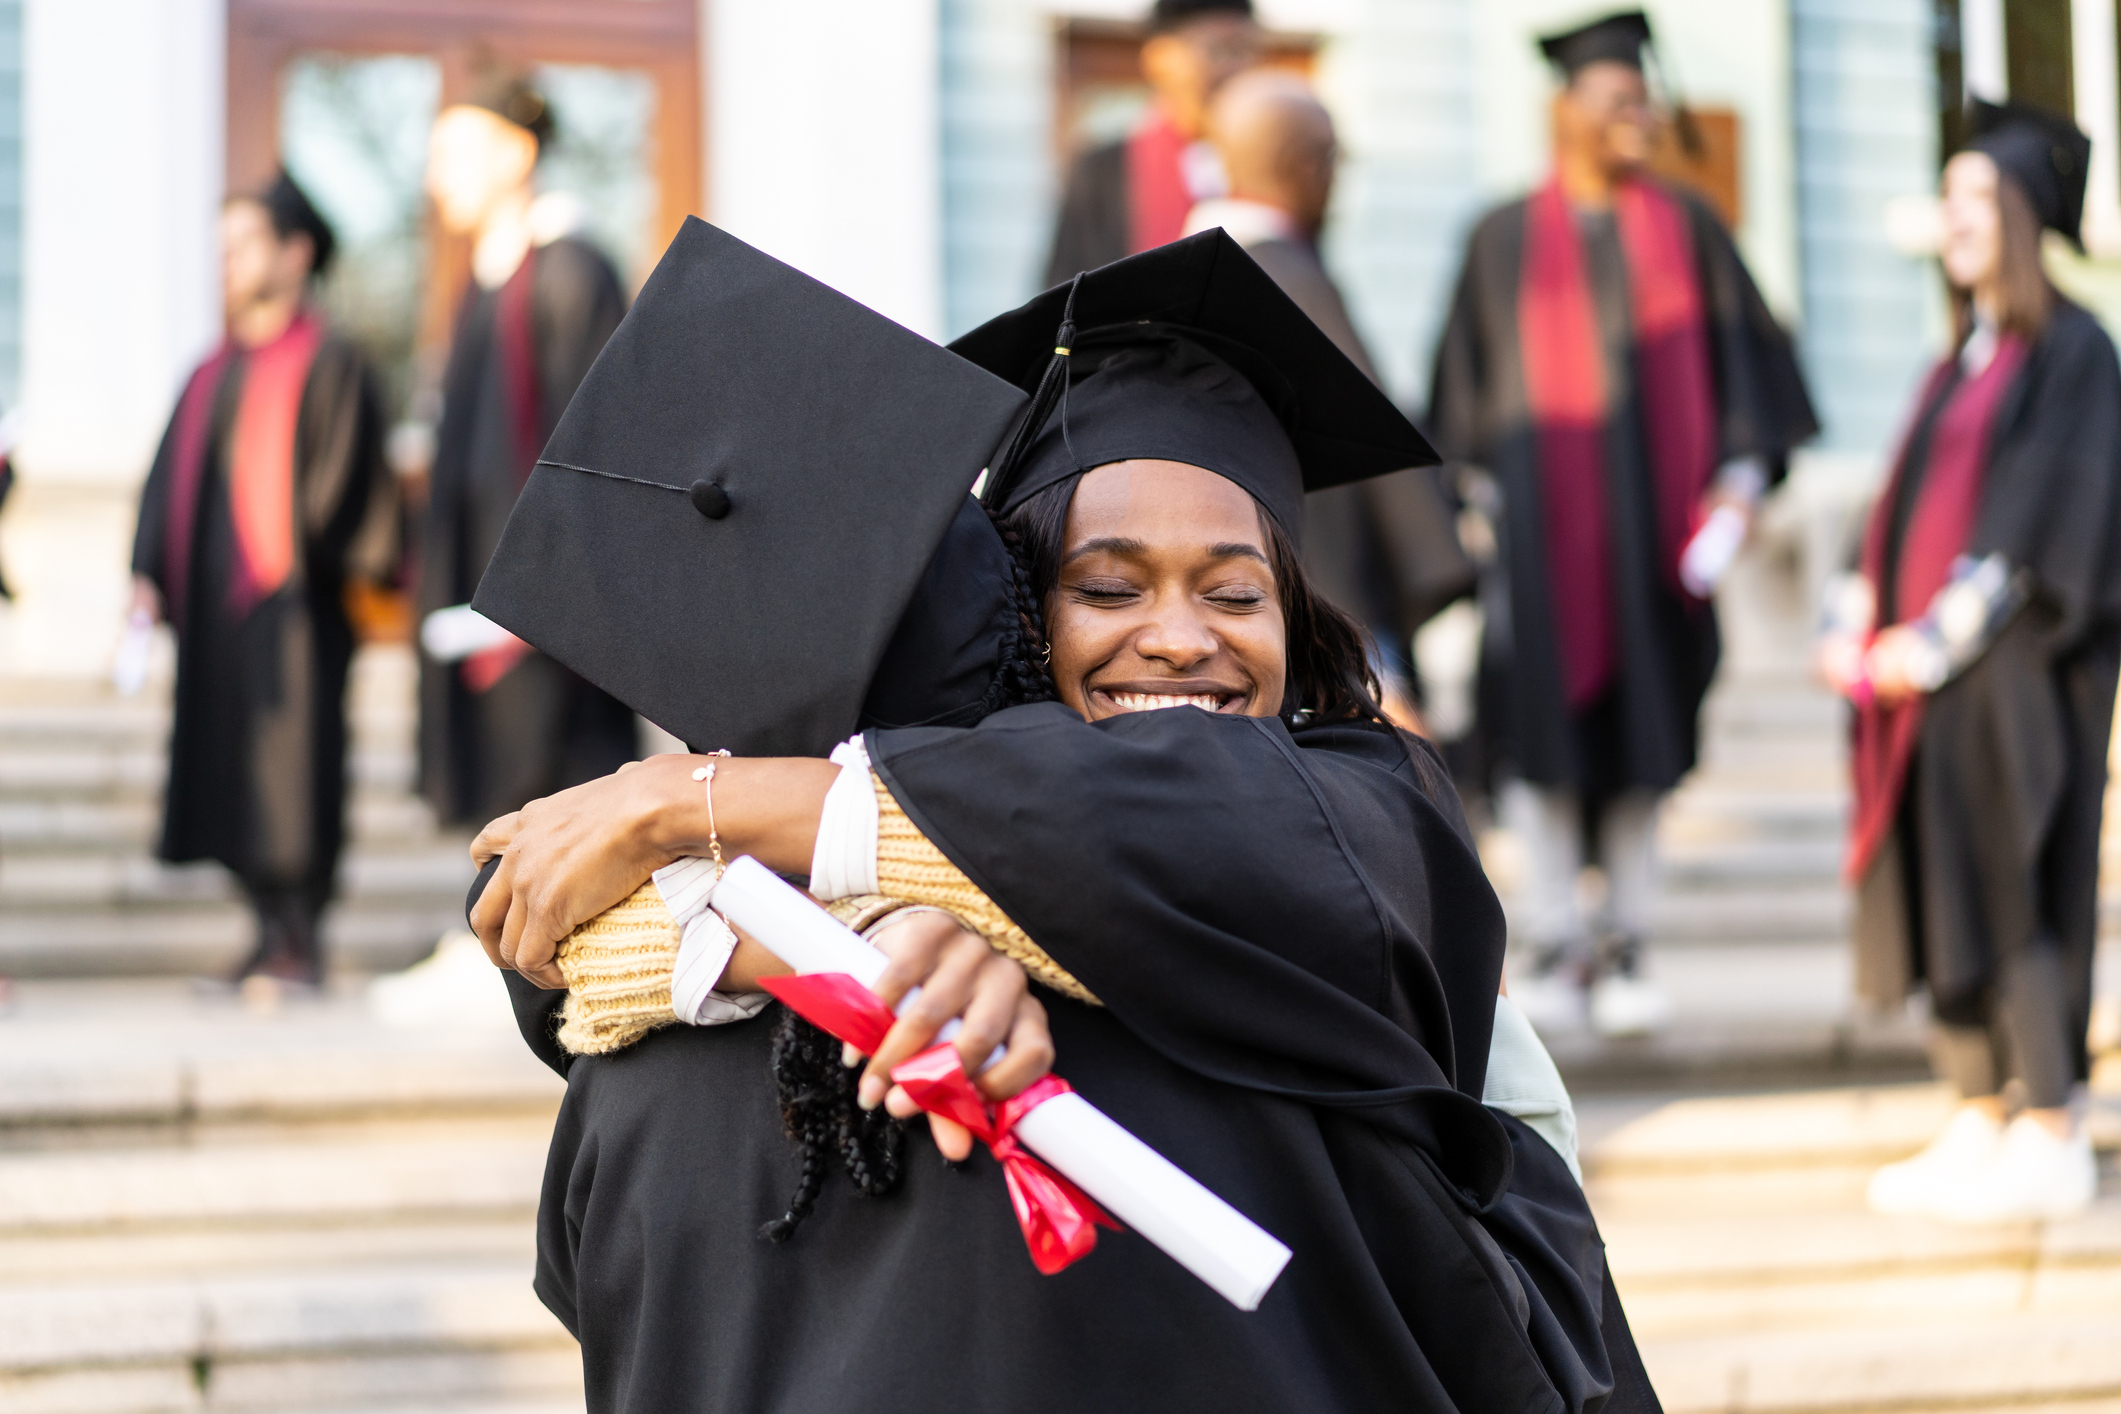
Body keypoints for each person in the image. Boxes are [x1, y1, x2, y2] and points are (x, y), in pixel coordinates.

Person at [464, 224, 1656, 1413]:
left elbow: (1199, 831)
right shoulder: (939, 877)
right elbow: (542, 946)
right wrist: (866, 930)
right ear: (1024, 621)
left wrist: (692, 805)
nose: (1182, 636)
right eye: (1109, 587)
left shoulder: (1364, 802)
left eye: (1237, 592)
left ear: (1298, 613)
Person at [1427, 11, 1817, 1037]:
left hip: (1655, 556)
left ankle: (1632, 935)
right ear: (1567, 113)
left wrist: (1735, 491)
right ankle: (1558, 936)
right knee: (1543, 745)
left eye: (1644, 101)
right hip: (1541, 562)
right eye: (1617, 104)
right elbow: (1459, 405)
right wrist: (1467, 519)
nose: (1637, 119)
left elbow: (1752, 382)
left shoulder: (1689, 228)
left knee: (1645, 740)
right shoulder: (1501, 237)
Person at [1823, 101, 2121, 1224]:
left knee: (2018, 876)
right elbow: (1893, 511)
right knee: (1937, 875)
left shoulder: (2077, 353)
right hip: (1925, 686)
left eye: (1970, 201)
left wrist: (1928, 642)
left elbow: (2046, 521)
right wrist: (1854, 623)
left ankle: (2049, 1120)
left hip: (2022, 677)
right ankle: (1973, 1111)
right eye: (1945, 200)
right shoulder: (1959, 357)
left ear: (2026, 217)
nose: (1948, 221)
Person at [129, 172, 396, 986]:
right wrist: (145, 573)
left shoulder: (333, 360)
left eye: (242, 245)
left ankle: (300, 936)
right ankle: (262, 929)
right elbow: (164, 481)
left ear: (295, 251)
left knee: (295, 775)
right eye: (221, 249)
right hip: (217, 621)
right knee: (225, 775)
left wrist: (305, 557)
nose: (226, 263)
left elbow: (347, 482)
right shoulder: (211, 370)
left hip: (295, 613)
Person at [1185, 69, 1471, 722]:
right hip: (1324, 599)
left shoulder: (1189, 276)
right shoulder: (1293, 280)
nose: (1338, 184)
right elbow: (1374, 458)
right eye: (1334, 160)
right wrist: (1432, 556)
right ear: (1301, 165)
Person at [417, 69, 636, 829]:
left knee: (560, 775)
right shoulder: (485, 281)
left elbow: (599, 443)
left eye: (454, 153)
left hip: (553, 594)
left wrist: (547, 586)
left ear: (514, 154)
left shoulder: (569, 270)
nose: (433, 176)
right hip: (485, 577)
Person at [1044, 0, 1260, 285]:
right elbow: (1065, 295)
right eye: (1219, 50)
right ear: (1159, 57)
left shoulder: (1264, 173)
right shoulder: (1103, 172)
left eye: (1248, 51)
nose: (1237, 68)